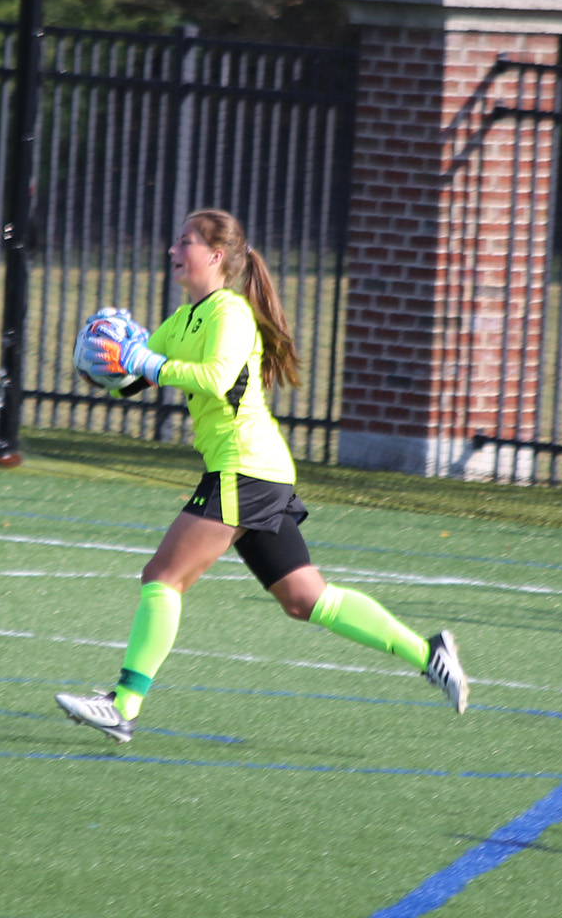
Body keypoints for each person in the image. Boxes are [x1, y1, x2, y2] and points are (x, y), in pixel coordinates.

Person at [54, 208, 468, 743]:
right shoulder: (184, 319)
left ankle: (123, 705)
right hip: (259, 470)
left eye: (185, 242)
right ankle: (427, 653)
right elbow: (136, 376)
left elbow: (216, 377)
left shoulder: (230, 312)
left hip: (243, 466)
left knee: (163, 576)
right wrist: (105, 360)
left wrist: (145, 362)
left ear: (216, 255)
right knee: (306, 599)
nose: (174, 251)